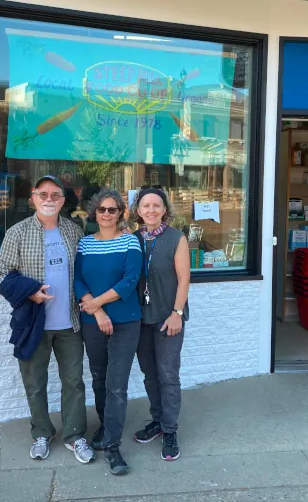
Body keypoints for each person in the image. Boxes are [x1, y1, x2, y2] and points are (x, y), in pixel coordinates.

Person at [0, 175, 95, 464]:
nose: (49, 199)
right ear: (33, 198)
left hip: (70, 323)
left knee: (73, 382)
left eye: (55, 195)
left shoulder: (74, 231)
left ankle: (75, 436)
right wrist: (30, 292)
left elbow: (84, 271)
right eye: (43, 194)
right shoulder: (17, 232)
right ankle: (41, 432)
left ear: (63, 200)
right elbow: (0, 273)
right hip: (34, 322)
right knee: (35, 383)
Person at [74, 189, 142, 475]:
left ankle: (113, 447)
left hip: (126, 322)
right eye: (101, 209)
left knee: (117, 384)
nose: (106, 214)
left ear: (120, 213)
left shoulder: (131, 242)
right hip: (93, 322)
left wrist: (98, 303)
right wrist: (98, 312)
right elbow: (77, 280)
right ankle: (104, 427)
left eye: (112, 210)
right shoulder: (85, 244)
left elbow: (130, 281)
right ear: (94, 212)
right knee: (99, 378)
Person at [130, 186, 190, 461]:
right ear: (138, 211)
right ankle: (157, 420)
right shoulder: (131, 240)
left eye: (156, 205)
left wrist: (177, 312)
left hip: (168, 318)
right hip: (141, 319)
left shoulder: (177, 238)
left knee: (168, 376)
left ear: (165, 209)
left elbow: (184, 279)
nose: (151, 210)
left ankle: (170, 430)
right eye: (145, 206)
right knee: (150, 374)